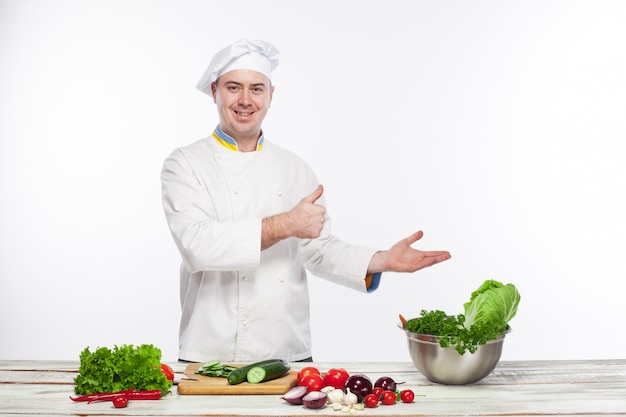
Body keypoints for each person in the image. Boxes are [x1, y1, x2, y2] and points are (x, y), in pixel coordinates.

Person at [160, 39, 451, 363]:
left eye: (257, 89)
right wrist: (285, 224)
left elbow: (318, 250)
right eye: (233, 87)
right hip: (207, 353)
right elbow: (197, 245)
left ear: (271, 95)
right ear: (215, 92)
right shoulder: (184, 164)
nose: (245, 100)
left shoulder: (295, 169)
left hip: (285, 354)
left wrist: (381, 260)